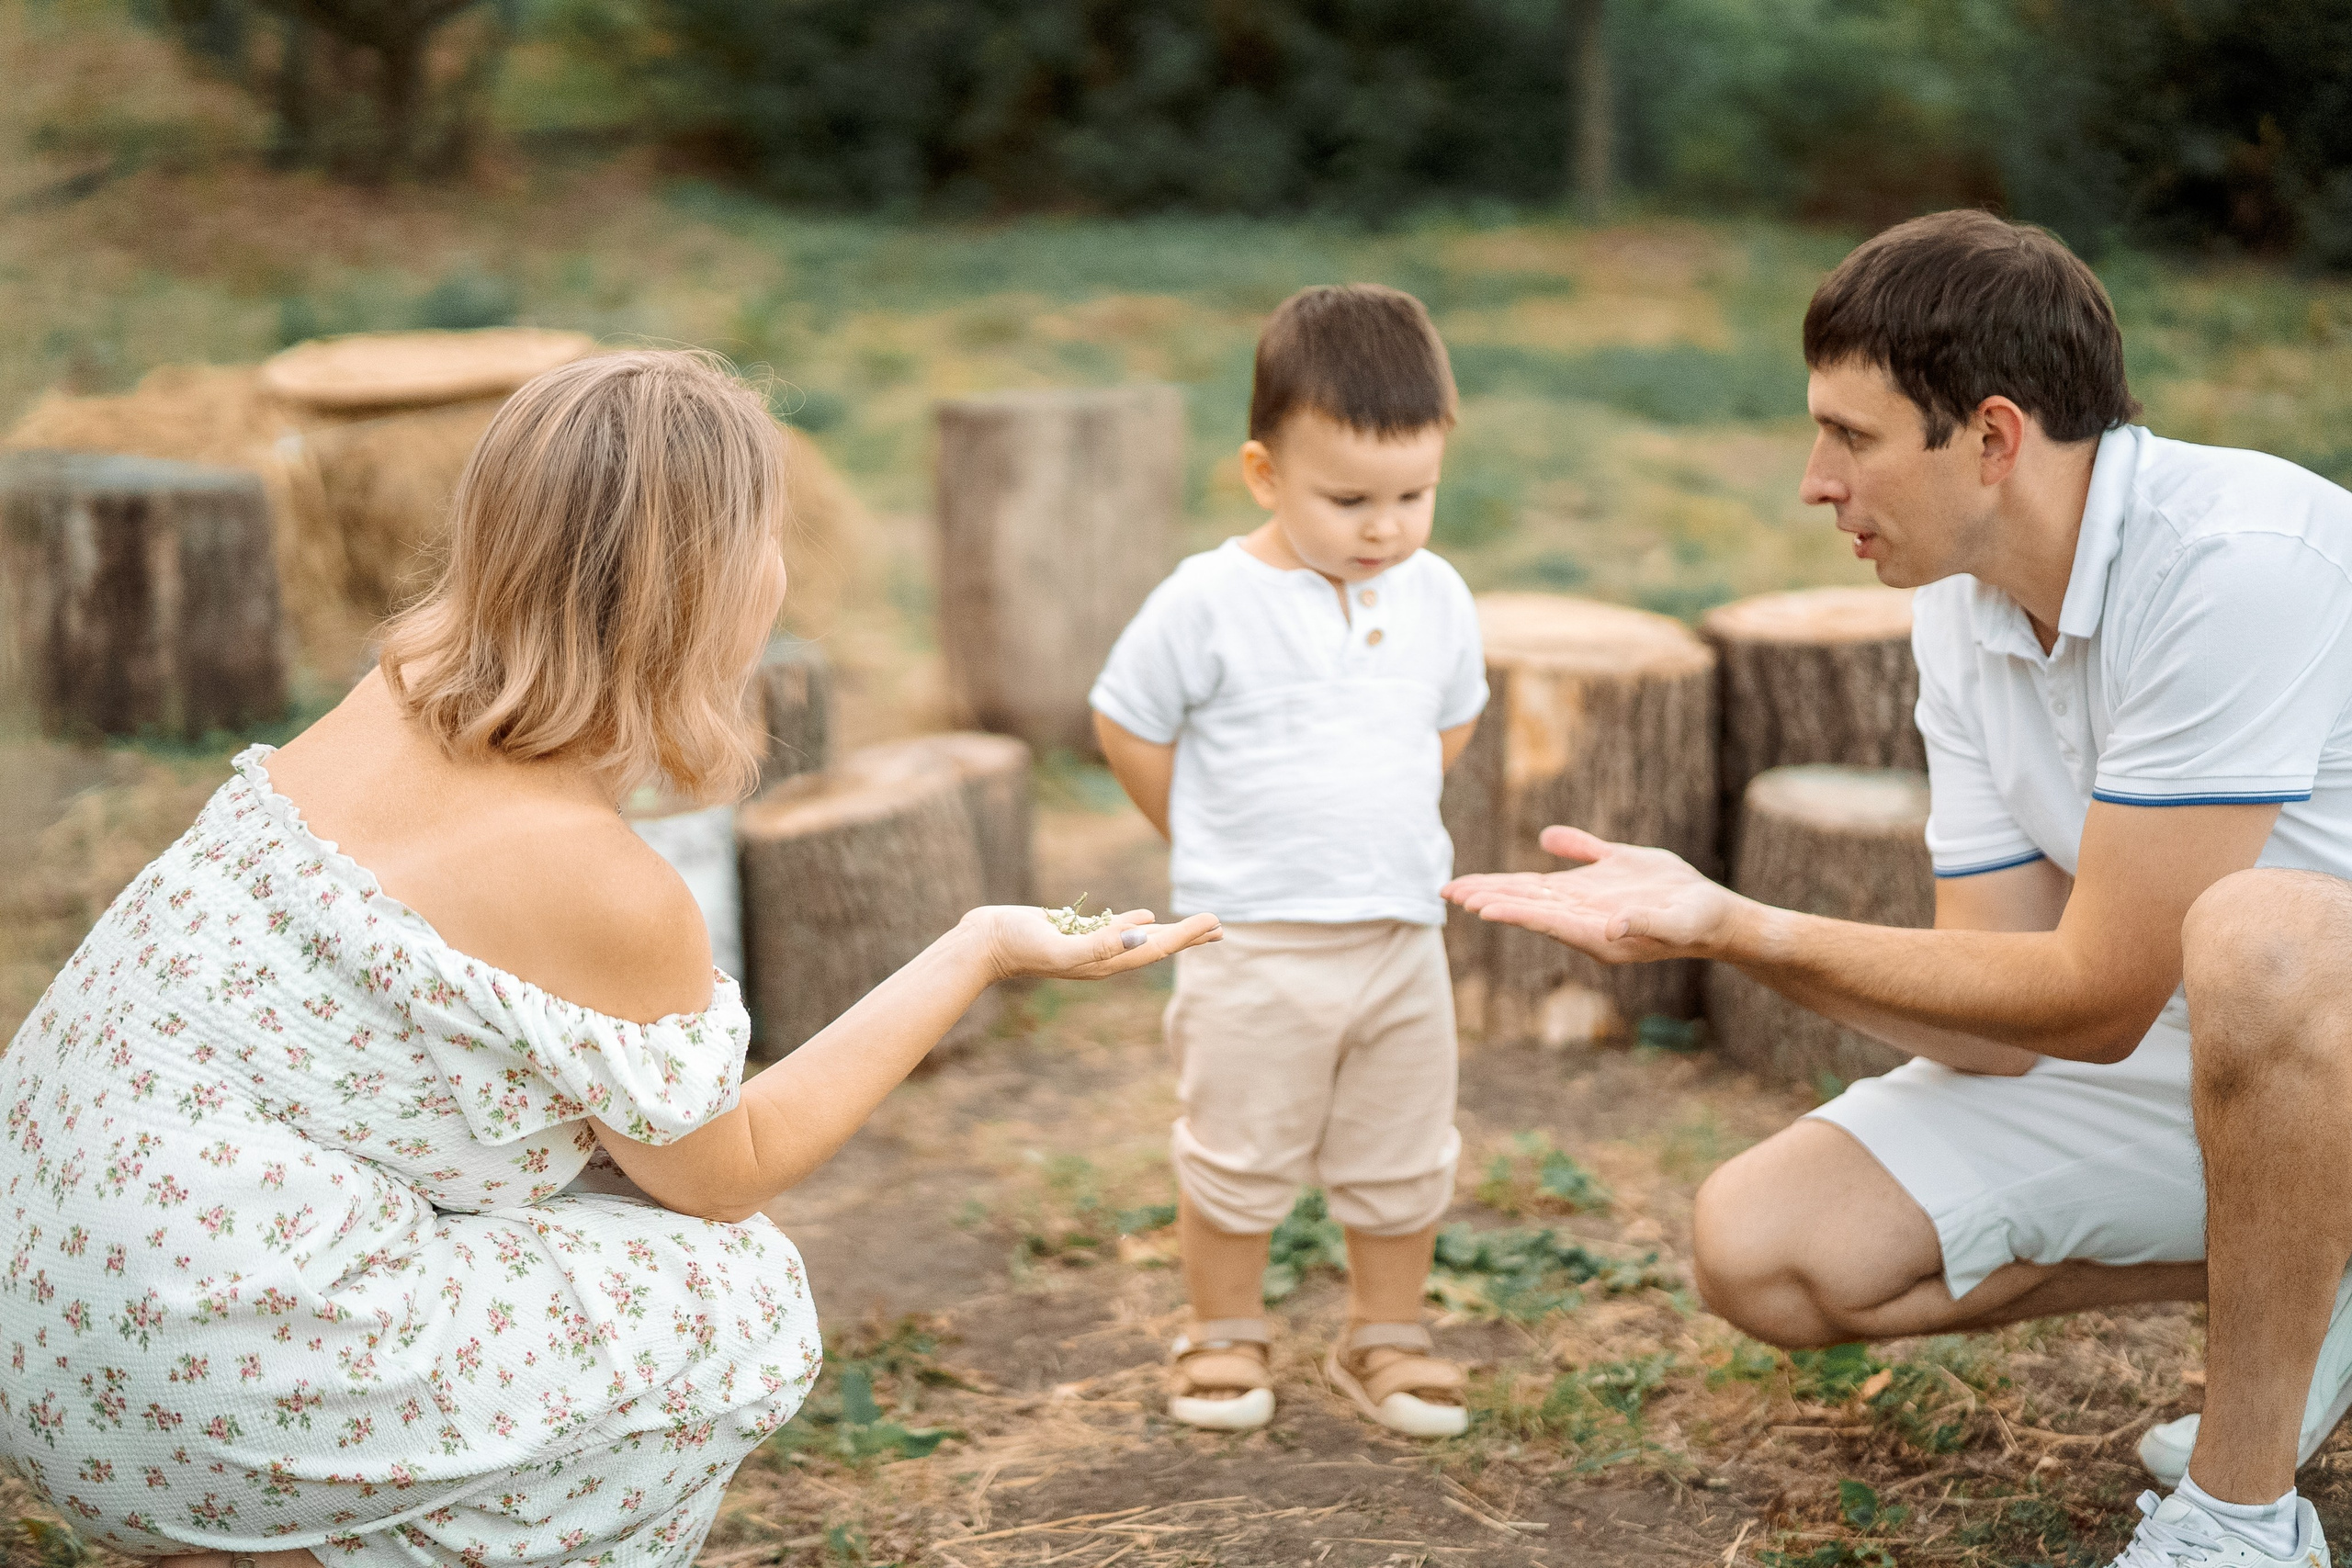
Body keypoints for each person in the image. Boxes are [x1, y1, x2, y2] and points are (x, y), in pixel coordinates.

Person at [0, 350, 1219, 1567]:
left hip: (51, 1342)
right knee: (734, 1298)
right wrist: (980, 948)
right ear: (717, 583)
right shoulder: (598, 882)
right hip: (192, 1392)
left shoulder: (404, 680)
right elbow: (725, 1171)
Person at [1443, 210, 2352, 1568]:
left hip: (2299, 1014)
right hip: (2235, 1052)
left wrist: (1738, 919)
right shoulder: (1963, 603)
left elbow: (2096, 998)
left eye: (1851, 437)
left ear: (1992, 439)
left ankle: (2240, 1513)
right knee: (1768, 1241)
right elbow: (1999, 1016)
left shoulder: (2239, 562)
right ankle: (2322, 1269)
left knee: (2261, 937)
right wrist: (1721, 936)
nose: (1817, 481)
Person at [1090, 284, 1487, 1438]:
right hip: (1253, 940)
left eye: (1415, 495)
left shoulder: (1437, 596)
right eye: (1350, 499)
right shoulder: (1208, 599)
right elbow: (1126, 719)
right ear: (1266, 475)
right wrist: (1203, 836)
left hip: (1398, 935)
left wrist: (1375, 817)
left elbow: (1443, 727)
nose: (1387, 526)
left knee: (1404, 1152)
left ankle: (1387, 1335)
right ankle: (1221, 1330)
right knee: (1236, 1151)